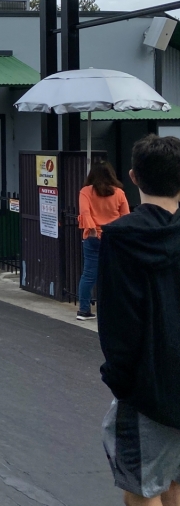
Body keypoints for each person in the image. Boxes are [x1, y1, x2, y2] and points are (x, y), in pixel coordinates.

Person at [97, 135, 180, 504]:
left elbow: (118, 320)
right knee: (174, 483)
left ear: (132, 176)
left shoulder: (121, 237)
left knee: (140, 490)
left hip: (147, 385)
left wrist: (120, 380)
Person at [76, 161, 129, 321]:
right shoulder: (119, 193)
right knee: (113, 274)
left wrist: (92, 229)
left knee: (89, 274)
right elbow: (125, 216)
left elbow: (85, 212)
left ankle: (84, 310)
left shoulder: (86, 192)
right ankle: (112, 309)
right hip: (113, 237)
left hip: (93, 237)